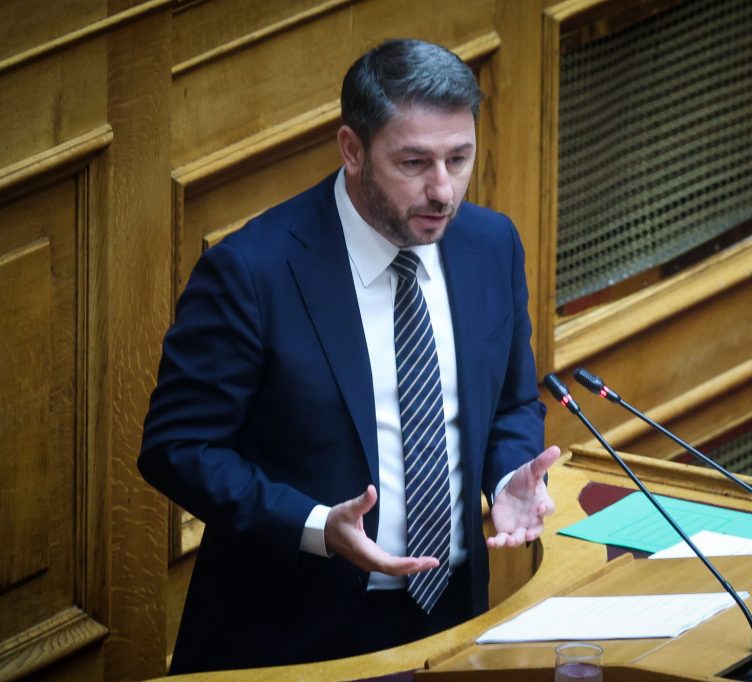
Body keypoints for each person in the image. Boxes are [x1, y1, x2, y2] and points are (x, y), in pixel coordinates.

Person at [138, 38, 558, 674]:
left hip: (451, 618)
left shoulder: (490, 244)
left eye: (459, 158)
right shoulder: (253, 272)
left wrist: (506, 477)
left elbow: (511, 403)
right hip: (292, 636)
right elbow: (177, 448)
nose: (443, 190)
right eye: (414, 162)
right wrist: (314, 525)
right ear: (353, 150)